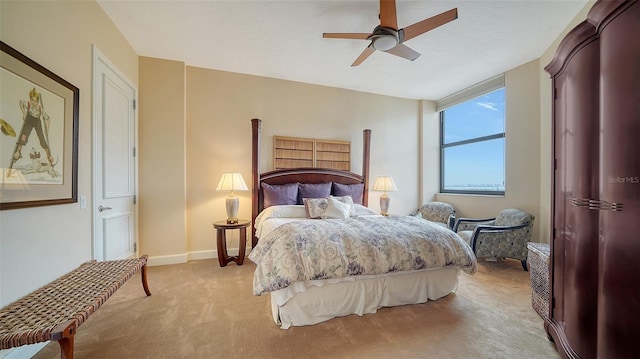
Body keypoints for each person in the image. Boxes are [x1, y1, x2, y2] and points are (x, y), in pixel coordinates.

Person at [7, 87, 56, 177]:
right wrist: (24, 113)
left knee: (42, 139)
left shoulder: (40, 108)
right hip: (29, 120)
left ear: (37, 100)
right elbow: (20, 102)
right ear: (30, 99)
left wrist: (47, 129)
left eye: (35, 101)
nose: (34, 102)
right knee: (24, 135)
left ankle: (49, 156)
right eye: (32, 100)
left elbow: (47, 118)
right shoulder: (28, 104)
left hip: (37, 121)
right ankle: (18, 152)